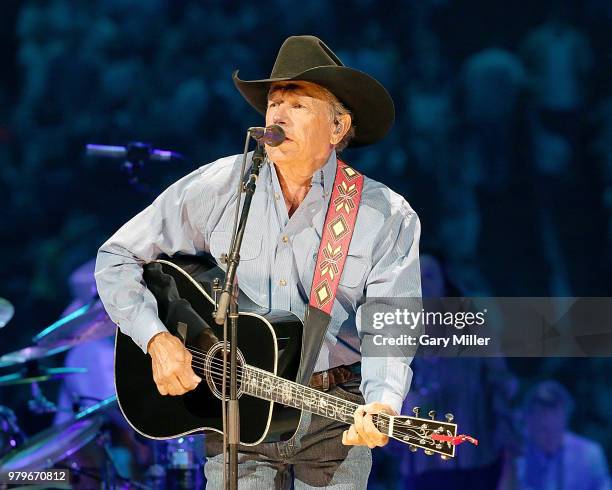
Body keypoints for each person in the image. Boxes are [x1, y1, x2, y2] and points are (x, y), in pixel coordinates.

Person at [94, 35, 422, 488]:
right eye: (273, 102)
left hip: (332, 418)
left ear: (338, 126)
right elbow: (117, 256)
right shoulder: (222, 185)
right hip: (234, 414)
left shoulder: (384, 214)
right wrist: (156, 339)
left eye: (299, 104)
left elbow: (392, 320)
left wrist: (383, 402)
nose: (278, 116)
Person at [497, 380, 611, 490]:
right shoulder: (516, 456)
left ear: (565, 421)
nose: (549, 436)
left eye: (555, 428)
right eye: (542, 429)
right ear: (528, 422)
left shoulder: (590, 454)